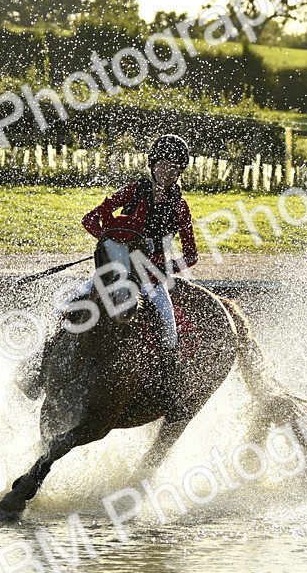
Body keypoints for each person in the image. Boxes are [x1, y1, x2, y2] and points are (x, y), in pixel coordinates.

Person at [15, 134, 199, 402]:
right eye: (162, 164)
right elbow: (90, 219)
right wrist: (111, 243)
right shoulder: (132, 191)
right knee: (63, 308)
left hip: (150, 280)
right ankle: (38, 374)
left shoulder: (180, 208)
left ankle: (171, 393)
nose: (166, 171)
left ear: (180, 171)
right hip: (114, 272)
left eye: (173, 167)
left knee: (169, 331)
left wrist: (157, 264)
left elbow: (191, 255)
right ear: (152, 165)